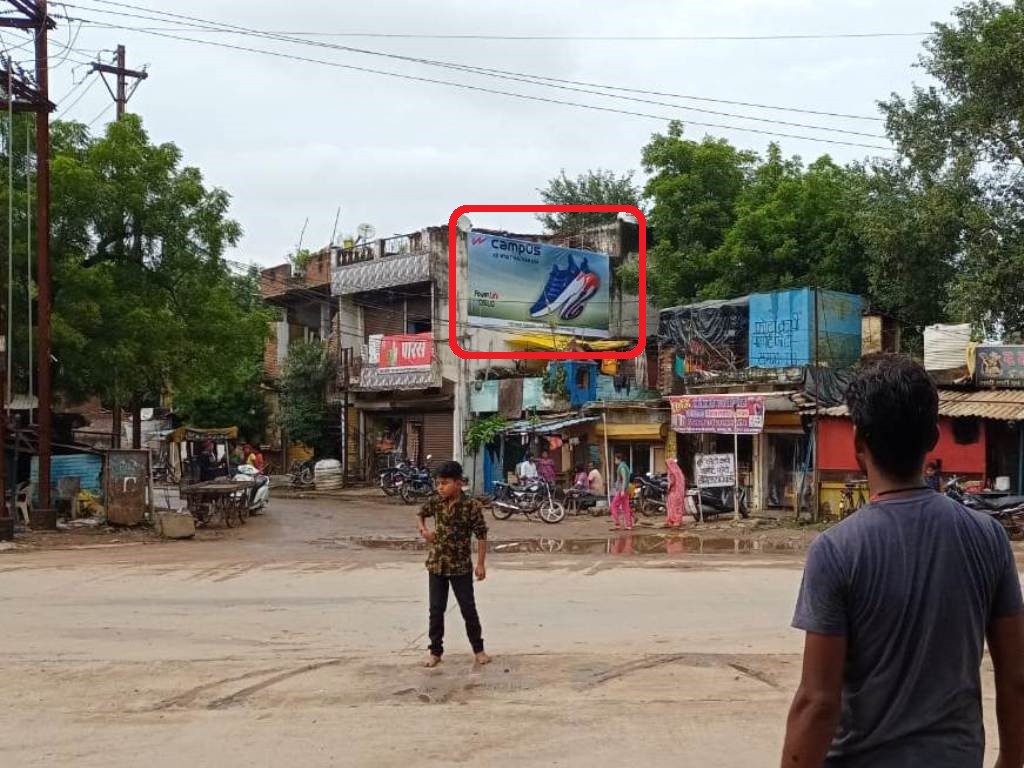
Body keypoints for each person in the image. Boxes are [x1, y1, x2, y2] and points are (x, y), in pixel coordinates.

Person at [782, 354, 1024, 768]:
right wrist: (1013, 760)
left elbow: (817, 702)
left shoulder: (836, 550)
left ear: (859, 442)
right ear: (933, 436)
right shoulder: (989, 538)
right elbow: (1017, 677)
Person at [417, 460, 491, 668]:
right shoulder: (436, 502)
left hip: (460, 567)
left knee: (468, 608)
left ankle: (479, 649)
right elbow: (420, 514)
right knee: (436, 609)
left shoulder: (471, 506)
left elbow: (481, 534)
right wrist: (423, 531)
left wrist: (481, 564)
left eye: (445, 483)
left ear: (459, 483)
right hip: (437, 564)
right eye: (438, 483)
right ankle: (435, 651)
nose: (440, 487)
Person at [610, 452, 633, 531]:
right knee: (626, 507)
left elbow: (624, 479)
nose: (614, 461)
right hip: (626, 490)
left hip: (622, 490)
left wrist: (622, 490)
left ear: (618, 459)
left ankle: (617, 524)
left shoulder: (622, 467)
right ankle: (628, 525)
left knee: (613, 506)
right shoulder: (625, 466)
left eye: (615, 459)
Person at [664, 457, 686, 528]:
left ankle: (673, 521)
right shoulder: (678, 471)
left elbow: (672, 482)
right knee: (678, 506)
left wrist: (668, 489)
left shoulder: (671, 472)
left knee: (672, 506)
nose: (667, 466)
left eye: (667, 464)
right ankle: (678, 520)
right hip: (679, 492)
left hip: (673, 492)